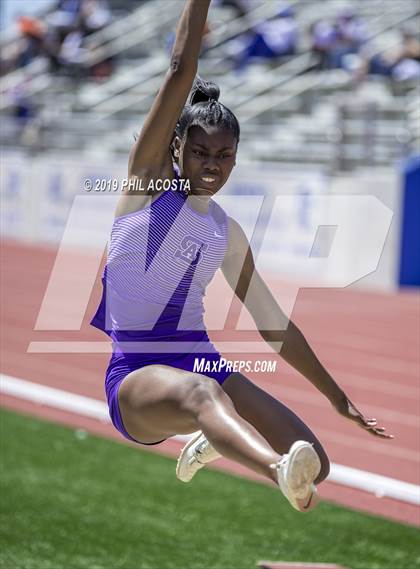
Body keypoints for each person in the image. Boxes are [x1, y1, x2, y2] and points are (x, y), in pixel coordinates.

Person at [90, 0, 392, 513]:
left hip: (200, 363)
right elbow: (180, 67)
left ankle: (212, 437)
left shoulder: (224, 231)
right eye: (201, 152)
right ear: (177, 146)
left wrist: (337, 398)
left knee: (316, 462)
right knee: (213, 406)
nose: (213, 165)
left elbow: (274, 327)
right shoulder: (146, 185)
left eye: (225, 155)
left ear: (236, 156)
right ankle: (264, 462)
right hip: (137, 377)